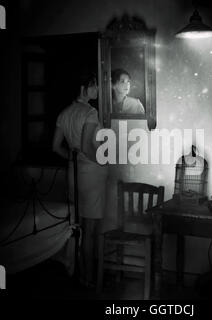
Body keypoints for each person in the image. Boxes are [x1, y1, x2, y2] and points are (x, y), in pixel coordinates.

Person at [52, 73, 108, 287]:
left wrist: (73, 159)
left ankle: (80, 274)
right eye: (94, 86)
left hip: (74, 173)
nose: (97, 90)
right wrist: (101, 162)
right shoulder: (90, 112)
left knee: (80, 227)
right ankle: (89, 279)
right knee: (90, 230)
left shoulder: (65, 113)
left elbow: (55, 147)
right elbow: (87, 146)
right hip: (91, 176)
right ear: (84, 87)